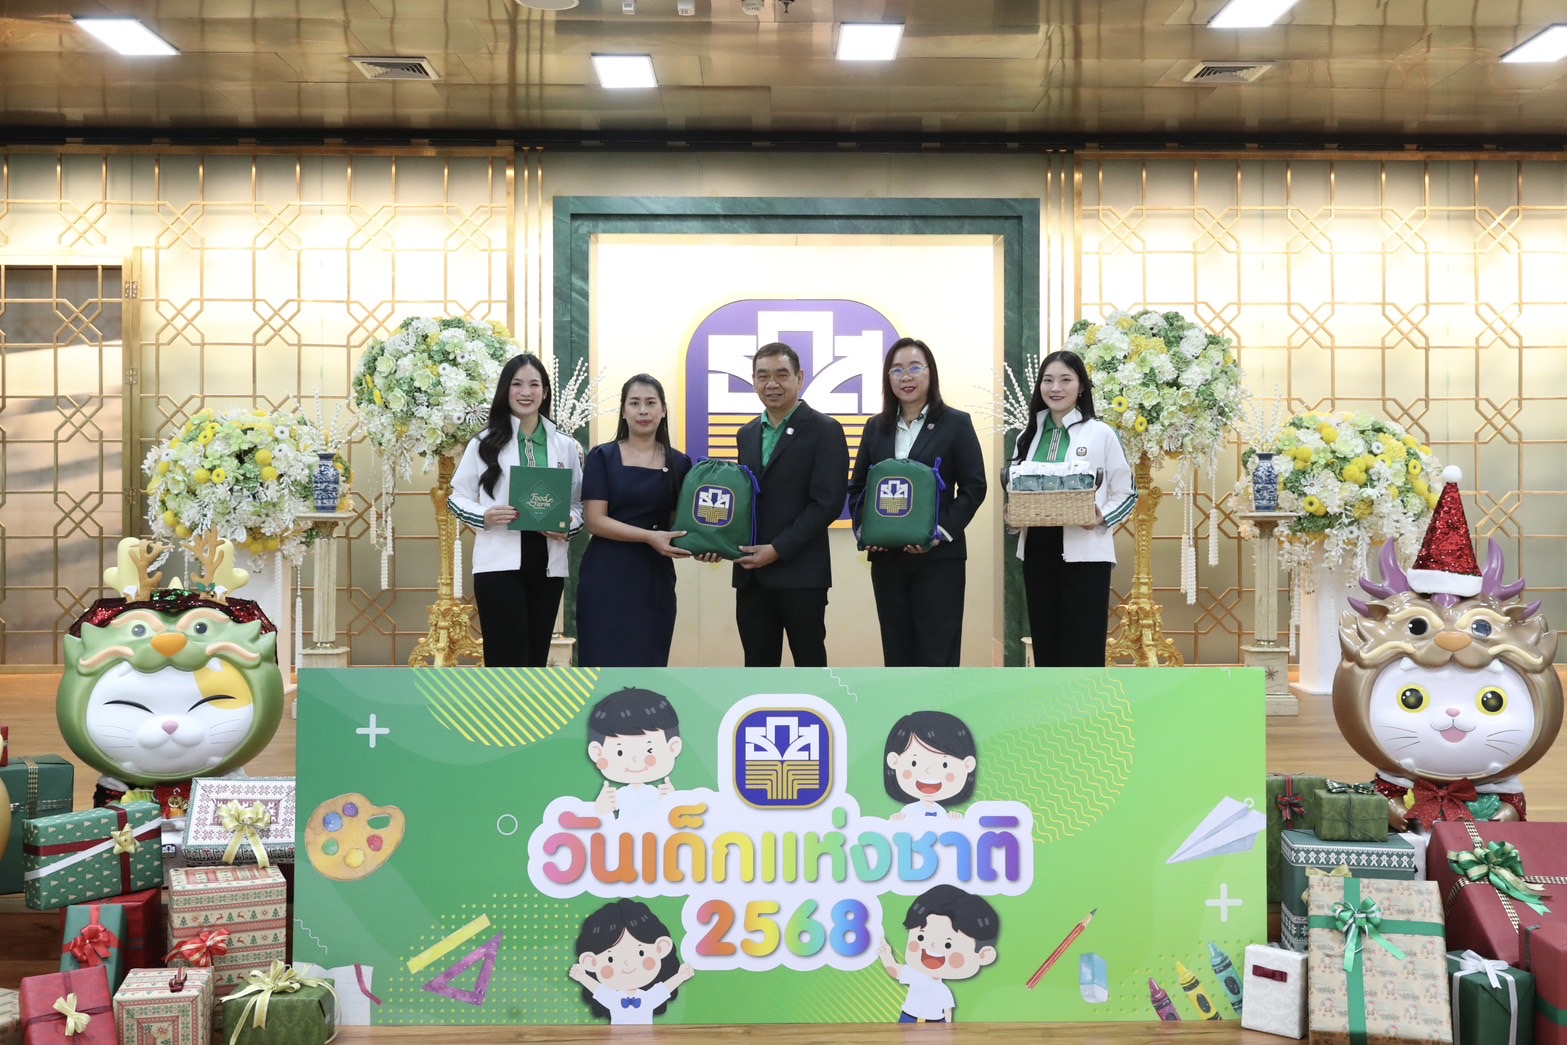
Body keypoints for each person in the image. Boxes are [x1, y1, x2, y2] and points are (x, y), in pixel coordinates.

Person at [701, 341, 848, 667]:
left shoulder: (825, 430)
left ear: (800, 378)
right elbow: (744, 503)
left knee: (809, 668)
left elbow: (827, 503)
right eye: (763, 376)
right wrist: (716, 542)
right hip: (751, 575)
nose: (772, 384)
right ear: (754, 381)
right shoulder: (747, 433)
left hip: (801, 574)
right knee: (757, 669)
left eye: (781, 374)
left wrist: (778, 549)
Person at [847, 338, 987, 666]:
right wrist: (866, 529)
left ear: (930, 372)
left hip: (939, 559)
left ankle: (938, 705)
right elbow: (857, 487)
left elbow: (974, 487)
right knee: (896, 652)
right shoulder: (876, 427)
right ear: (888, 377)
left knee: (938, 653)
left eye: (914, 368)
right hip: (887, 560)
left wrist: (939, 532)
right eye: (896, 370)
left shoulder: (956, 423)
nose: (905, 377)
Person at [448, 353, 584, 668]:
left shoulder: (565, 446)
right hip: (499, 565)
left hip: (547, 565)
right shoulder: (484, 443)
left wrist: (567, 525)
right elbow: (457, 497)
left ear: (545, 392)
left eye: (534, 385)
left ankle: (531, 704)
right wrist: (485, 515)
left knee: (535, 659)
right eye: (517, 384)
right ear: (505, 390)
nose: (526, 392)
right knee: (506, 659)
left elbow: (577, 503)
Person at [1009, 350, 1136, 667]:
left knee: (1083, 648)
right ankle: (1050, 701)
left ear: (1081, 387)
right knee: (1046, 645)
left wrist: (1101, 517)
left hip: (1086, 555)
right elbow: (1016, 488)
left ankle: (1085, 702)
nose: (1055, 388)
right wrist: (1012, 518)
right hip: (1037, 551)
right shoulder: (1026, 436)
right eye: (1048, 380)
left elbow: (1127, 492)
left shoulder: (1101, 433)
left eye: (1065, 379)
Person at [577, 374, 693, 667]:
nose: (643, 411)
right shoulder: (602, 457)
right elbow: (595, 521)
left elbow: (679, 524)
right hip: (606, 575)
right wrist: (649, 536)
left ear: (663, 410)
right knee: (601, 666)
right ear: (623, 411)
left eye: (651, 403)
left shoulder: (680, 463)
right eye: (635, 403)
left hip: (654, 578)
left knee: (648, 665)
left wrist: (708, 544)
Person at [877, 885, 999, 1024]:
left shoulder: (943, 991)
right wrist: (886, 955)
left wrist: (948, 1027)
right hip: (909, 1017)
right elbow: (894, 970)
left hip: (935, 1021)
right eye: (921, 937)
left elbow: (948, 1011)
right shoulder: (916, 976)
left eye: (948, 945)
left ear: (983, 956)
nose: (933, 946)